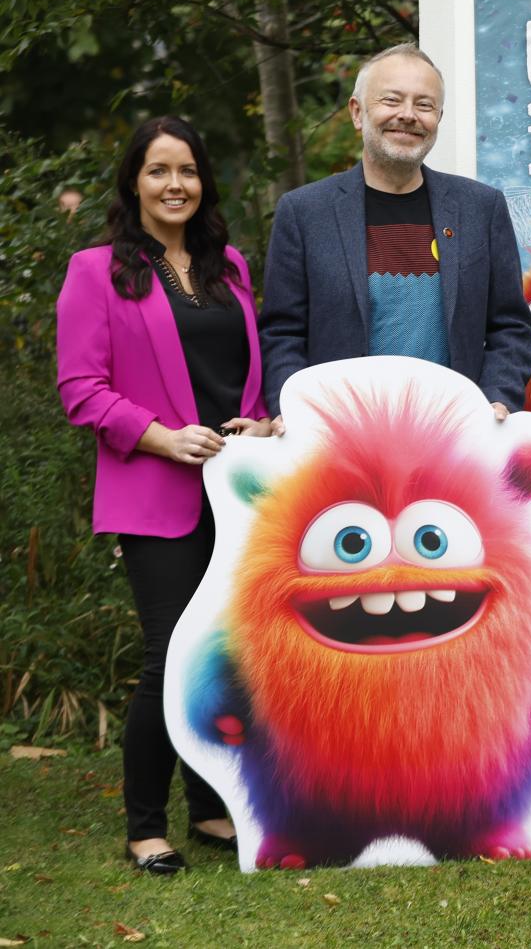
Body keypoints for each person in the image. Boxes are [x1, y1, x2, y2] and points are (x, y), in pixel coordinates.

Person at [55, 116, 274, 875]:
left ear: (204, 180)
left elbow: (248, 369)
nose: (174, 184)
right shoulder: (96, 271)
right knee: (169, 654)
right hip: (156, 490)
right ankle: (145, 822)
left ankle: (210, 807)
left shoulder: (231, 267)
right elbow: (81, 390)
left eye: (187, 170)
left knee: (228, 653)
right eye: (158, 170)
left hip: (236, 489)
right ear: (134, 182)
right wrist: (163, 436)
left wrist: (263, 417)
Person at [260, 43, 531, 417]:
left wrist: (494, 400)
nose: (408, 115)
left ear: (439, 117)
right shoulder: (305, 213)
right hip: (341, 440)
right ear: (358, 113)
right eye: (391, 100)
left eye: (424, 105)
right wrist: (293, 414)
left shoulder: (480, 209)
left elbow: (510, 328)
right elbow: (282, 335)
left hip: (455, 438)